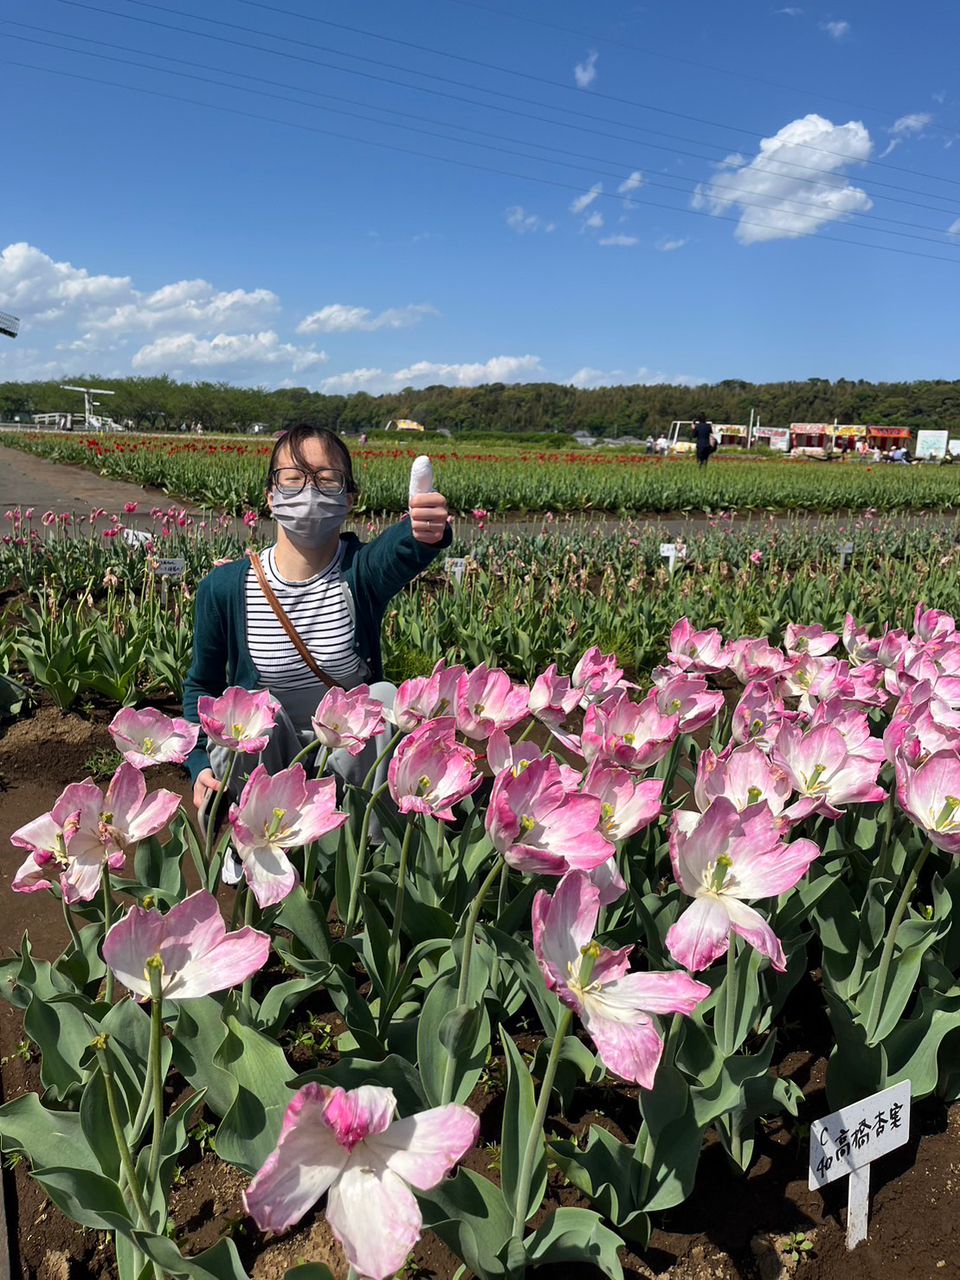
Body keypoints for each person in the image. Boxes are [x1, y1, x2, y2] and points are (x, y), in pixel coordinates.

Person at [183, 423, 451, 818]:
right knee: (244, 713)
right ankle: (254, 850)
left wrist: (422, 531)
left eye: (327, 480)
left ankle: (364, 855)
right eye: (293, 479)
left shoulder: (359, 573)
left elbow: (396, 552)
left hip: (347, 750)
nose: (308, 492)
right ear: (271, 496)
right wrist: (198, 763)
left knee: (383, 699)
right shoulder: (224, 588)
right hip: (266, 751)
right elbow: (202, 686)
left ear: (348, 499)